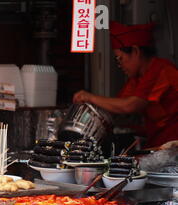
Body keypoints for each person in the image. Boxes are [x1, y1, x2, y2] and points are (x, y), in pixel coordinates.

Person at [73, 21, 178, 150]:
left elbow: (130, 105)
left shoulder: (161, 70)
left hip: (173, 141)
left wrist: (89, 97)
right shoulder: (137, 78)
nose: (120, 65)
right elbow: (118, 105)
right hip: (158, 141)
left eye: (120, 58)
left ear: (135, 51)